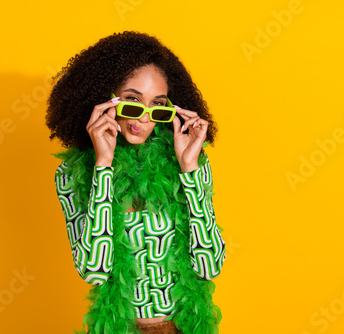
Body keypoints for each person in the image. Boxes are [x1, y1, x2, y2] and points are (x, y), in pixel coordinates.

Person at [46, 31, 226, 334]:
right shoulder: (72, 174)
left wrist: (190, 168)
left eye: (157, 106)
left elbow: (209, 266)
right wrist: (103, 166)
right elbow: (94, 270)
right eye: (131, 101)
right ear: (105, 98)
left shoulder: (186, 164)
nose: (143, 118)